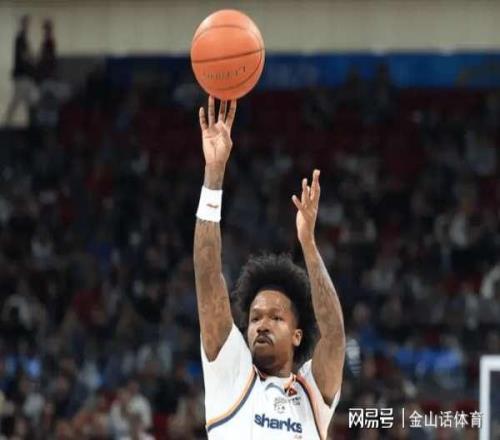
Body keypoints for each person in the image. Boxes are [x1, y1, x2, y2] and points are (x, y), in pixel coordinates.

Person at [193, 96, 345, 439]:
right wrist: (214, 174)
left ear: (297, 335)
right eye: (255, 318)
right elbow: (207, 275)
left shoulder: (312, 394)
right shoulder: (231, 374)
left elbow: (334, 335)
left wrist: (308, 245)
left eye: (276, 318)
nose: (261, 325)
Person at [3, 15, 38, 126]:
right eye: (26, 23)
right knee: (21, 100)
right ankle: (8, 123)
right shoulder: (20, 38)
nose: (27, 26)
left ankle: (10, 122)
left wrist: (32, 59)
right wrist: (33, 60)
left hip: (23, 75)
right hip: (22, 75)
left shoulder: (22, 38)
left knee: (26, 100)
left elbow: (25, 55)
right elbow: (24, 55)